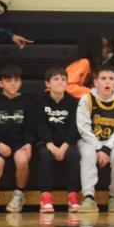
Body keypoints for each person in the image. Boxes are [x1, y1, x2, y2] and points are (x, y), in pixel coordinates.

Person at [76, 64, 114, 213]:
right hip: (90, 140)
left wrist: (106, 148)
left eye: (111, 79)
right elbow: (83, 128)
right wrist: (99, 148)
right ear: (95, 82)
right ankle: (88, 197)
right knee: (88, 154)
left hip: (113, 141)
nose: (107, 82)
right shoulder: (86, 99)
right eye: (103, 78)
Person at [35, 67, 81, 213]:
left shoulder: (74, 102)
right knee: (45, 155)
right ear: (47, 84)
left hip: (67, 142)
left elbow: (74, 127)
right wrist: (50, 144)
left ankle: (73, 196)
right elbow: (40, 125)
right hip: (46, 142)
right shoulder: (39, 101)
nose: (60, 82)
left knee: (74, 155)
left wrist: (64, 146)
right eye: (56, 79)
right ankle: (46, 196)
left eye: (63, 79)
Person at [0, 65, 34, 213]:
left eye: (16, 80)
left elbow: (30, 126)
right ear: (0, 83)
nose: (13, 83)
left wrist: (28, 143)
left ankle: (19, 194)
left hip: (19, 143)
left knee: (22, 160)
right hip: (0, 143)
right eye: (8, 80)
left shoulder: (27, 102)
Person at [66, 34, 111, 99]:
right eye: (104, 47)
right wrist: (94, 93)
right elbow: (68, 86)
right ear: (95, 48)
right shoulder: (83, 62)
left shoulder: (97, 67)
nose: (108, 50)